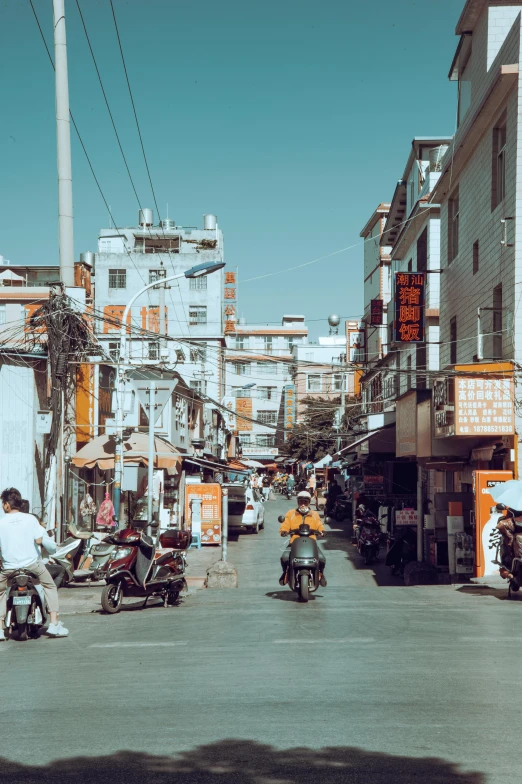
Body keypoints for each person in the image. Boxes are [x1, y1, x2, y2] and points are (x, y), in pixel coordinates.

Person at [0, 488, 68, 640]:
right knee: (50, 586)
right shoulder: (31, 520)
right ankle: (54, 624)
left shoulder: (1, 522)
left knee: (1, 592)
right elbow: (40, 540)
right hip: (32, 566)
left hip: (9, 568)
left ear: (6, 505)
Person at [279, 491, 327, 587]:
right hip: (294, 543)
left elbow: (319, 524)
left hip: (311, 543)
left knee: (322, 559)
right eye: (301, 502)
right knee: (284, 558)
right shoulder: (291, 513)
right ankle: (286, 573)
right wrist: (284, 531)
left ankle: (320, 574)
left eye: (305, 502)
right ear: (298, 502)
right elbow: (285, 524)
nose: (303, 504)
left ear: (309, 502)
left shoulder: (314, 514)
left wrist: (322, 531)